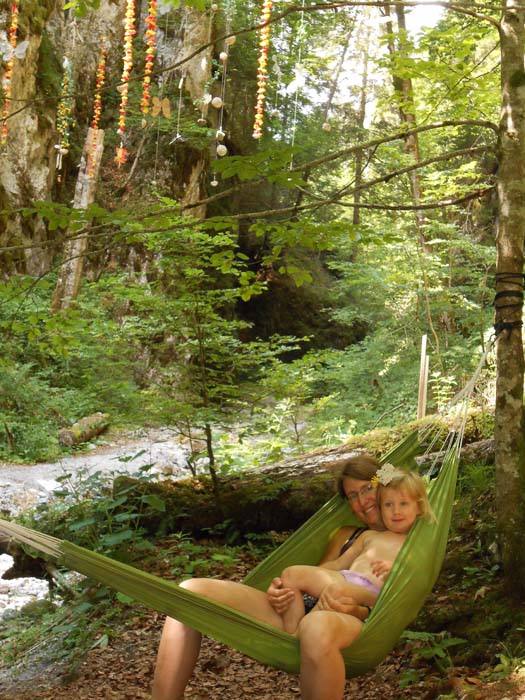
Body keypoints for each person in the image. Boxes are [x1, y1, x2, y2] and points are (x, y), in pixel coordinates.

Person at [152, 453, 389, 700]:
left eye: (367, 489)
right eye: (352, 495)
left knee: (317, 627)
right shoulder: (346, 535)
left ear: (383, 485)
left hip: (339, 621)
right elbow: (316, 576)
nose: (362, 501)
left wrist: (358, 611)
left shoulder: (407, 542)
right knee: (188, 592)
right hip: (293, 614)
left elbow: (392, 603)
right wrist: (279, 591)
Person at [277, 467, 435, 633]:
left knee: (336, 590)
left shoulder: (415, 545)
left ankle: (298, 637)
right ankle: (291, 632)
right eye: (388, 505)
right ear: (380, 508)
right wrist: (302, 576)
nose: (396, 511)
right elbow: (338, 564)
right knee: (291, 574)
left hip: (371, 594)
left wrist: (394, 571)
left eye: (403, 504)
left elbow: (414, 582)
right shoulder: (369, 536)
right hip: (344, 579)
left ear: (419, 507)